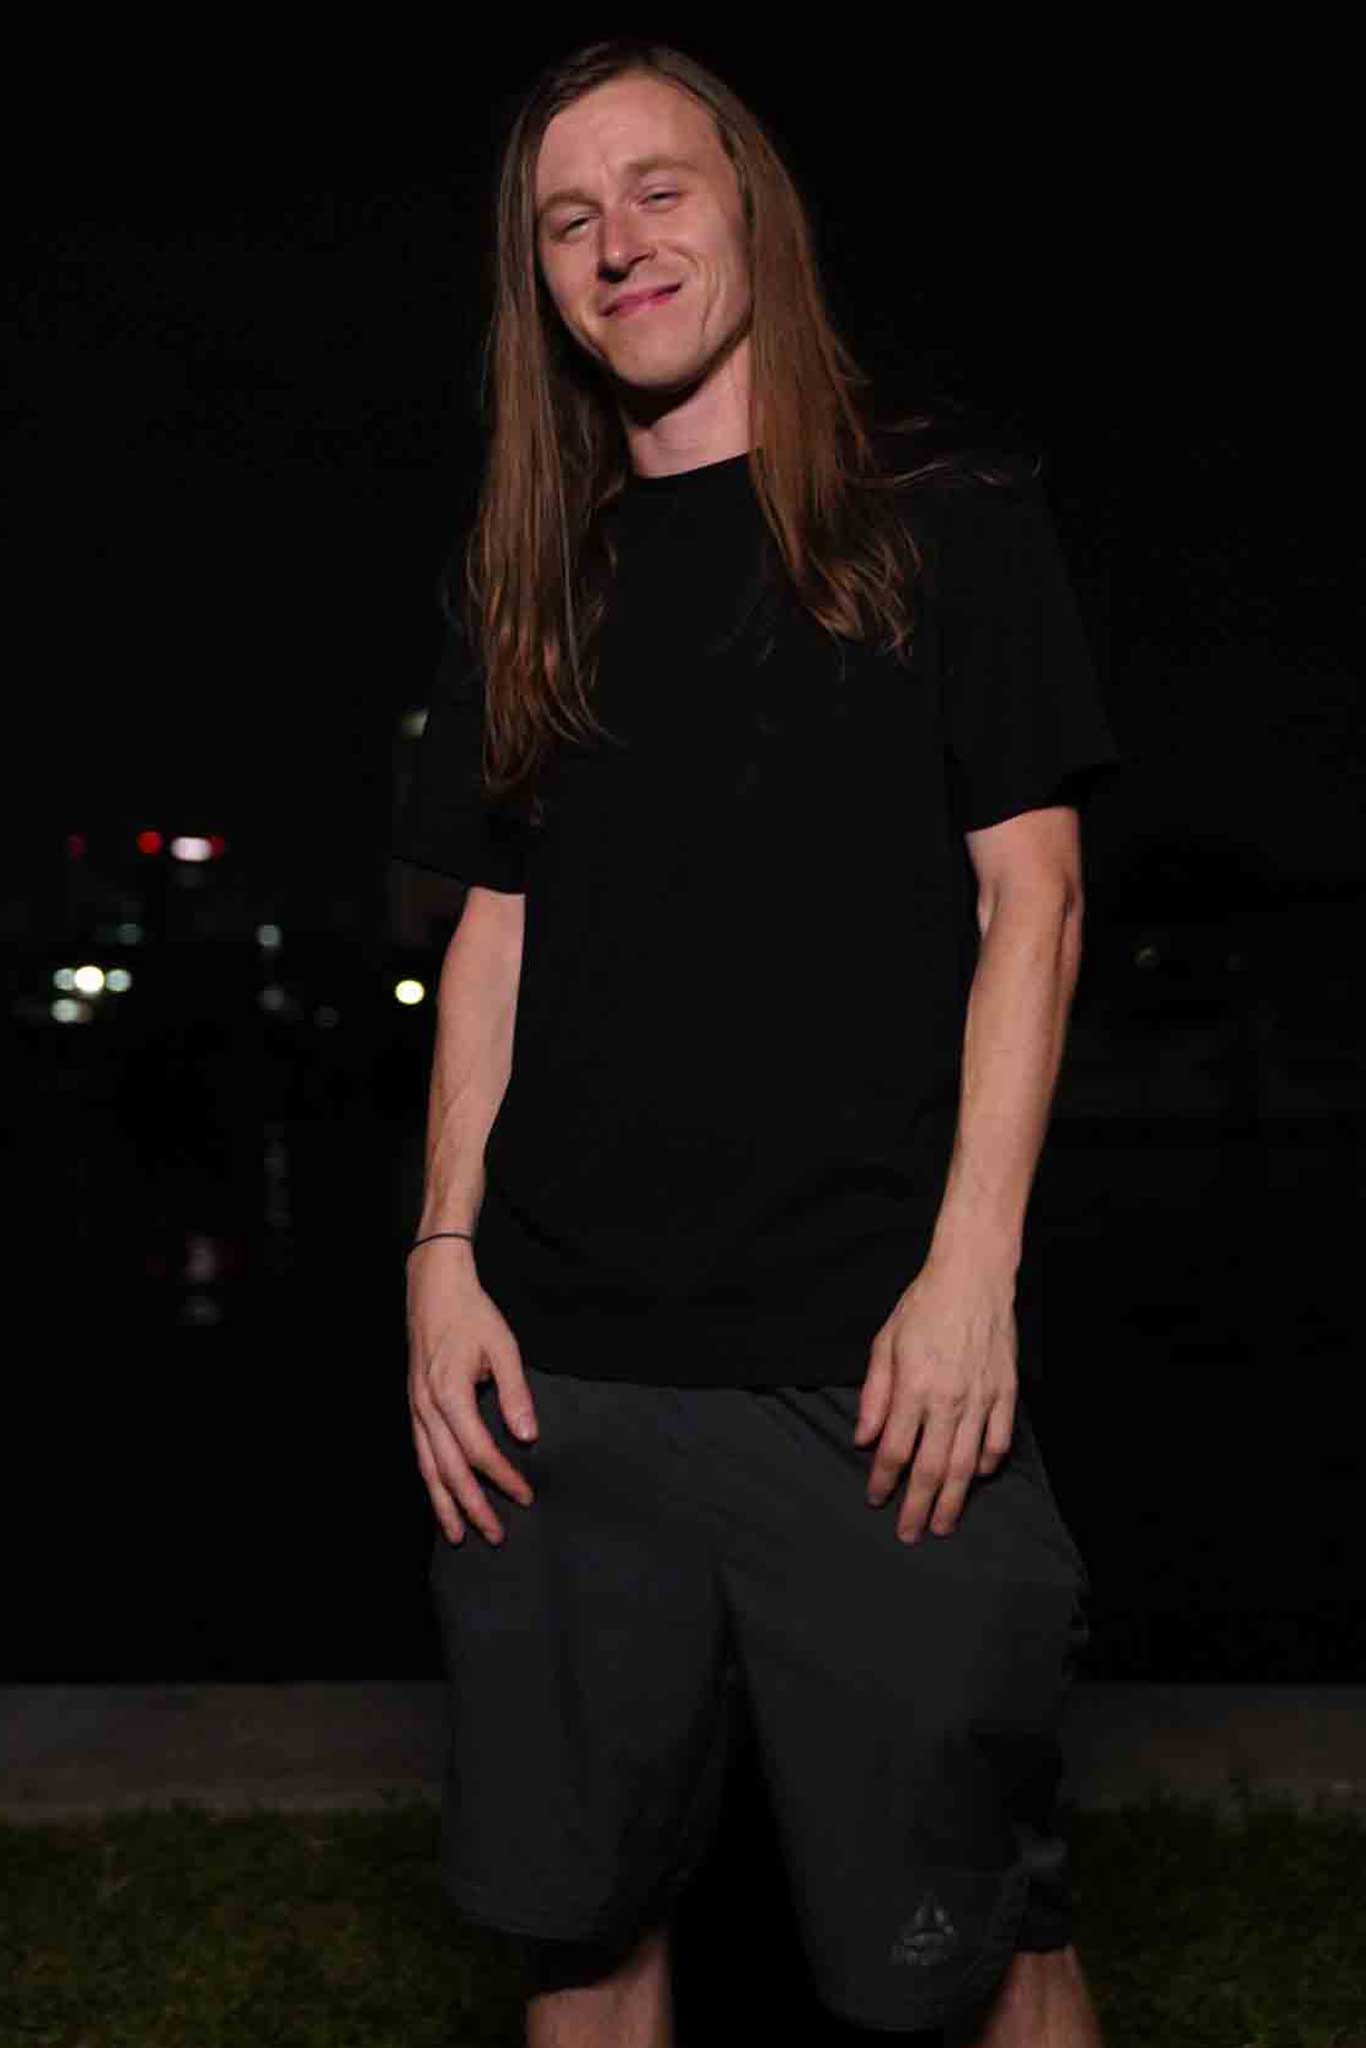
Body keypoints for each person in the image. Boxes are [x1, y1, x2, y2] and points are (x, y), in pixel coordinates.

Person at [395, 36, 1119, 2048]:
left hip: (873, 1374)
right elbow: (493, 932)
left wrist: (967, 1275)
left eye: (656, 190)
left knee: (980, 1940)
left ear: (748, 210)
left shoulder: (943, 517)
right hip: (553, 1380)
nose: (614, 243)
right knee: (579, 1934)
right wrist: (439, 1254)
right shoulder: (527, 574)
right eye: (566, 219)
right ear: (539, 279)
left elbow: (1034, 905)